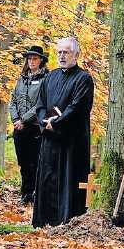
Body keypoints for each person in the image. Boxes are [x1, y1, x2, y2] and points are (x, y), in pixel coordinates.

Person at [32, 37, 94, 228]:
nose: (62, 55)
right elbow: (40, 104)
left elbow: (77, 108)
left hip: (71, 140)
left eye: (66, 52)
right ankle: (45, 220)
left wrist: (57, 123)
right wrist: (45, 123)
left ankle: (66, 221)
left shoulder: (84, 78)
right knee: (47, 178)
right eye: (59, 52)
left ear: (76, 54)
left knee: (69, 181)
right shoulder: (50, 77)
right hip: (50, 139)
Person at [10, 45, 48, 204]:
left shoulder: (46, 79)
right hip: (19, 128)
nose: (31, 61)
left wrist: (23, 119)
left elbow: (42, 103)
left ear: (41, 60)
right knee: (23, 163)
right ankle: (25, 193)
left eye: (35, 58)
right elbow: (12, 101)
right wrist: (15, 120)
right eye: (29, 58)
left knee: (35, 163)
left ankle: (36, 194)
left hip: (35, 128)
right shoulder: (21, 79)